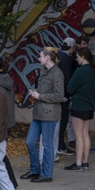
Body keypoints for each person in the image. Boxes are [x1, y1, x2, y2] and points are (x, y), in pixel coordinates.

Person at [22, 47, 65, 182]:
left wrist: (40, 96)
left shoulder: (57, 73)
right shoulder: (44, 71)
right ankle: (35, 170)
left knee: (47, 145)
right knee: (30, 142)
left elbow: (59, 96)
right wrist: (35, 93)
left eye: (41, 56)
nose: (39, 58)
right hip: (39, 113)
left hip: (49, 114)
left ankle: (47, 174)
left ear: (47, 58)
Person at [65, 47, 95, 170]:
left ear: (83, 57)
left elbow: (70, 88)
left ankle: (78, 163)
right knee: (85, 135)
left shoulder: (80, 71)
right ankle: (85, 162)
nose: (76, 59)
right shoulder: (93, 70)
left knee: (78, 135)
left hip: (79, 105)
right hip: (89, 106)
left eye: (78, 56)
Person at [57, 37, 77, 156]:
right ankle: (60, 145)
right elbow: (67, 79)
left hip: (56, 95)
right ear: (71, 47)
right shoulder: (67, 60)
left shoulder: (58, 58)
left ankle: (59, 144)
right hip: (63, 96)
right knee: (62, 121)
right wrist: (68, 94)